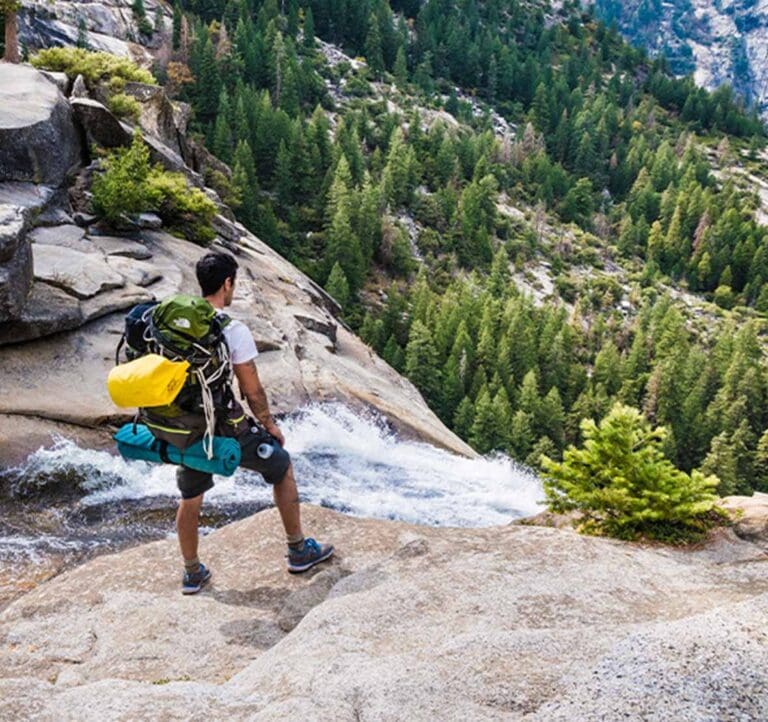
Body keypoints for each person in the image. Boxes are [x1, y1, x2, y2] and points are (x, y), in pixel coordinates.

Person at [176, 251, 333, 594]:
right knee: (281, 466)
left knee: (191, 496)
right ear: (227, 283)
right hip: (222, 426)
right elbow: (252, 389)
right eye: (234, 283)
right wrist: (270, 426)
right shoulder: (231, 329)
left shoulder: (178, 325)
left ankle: (191, 572)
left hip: (185, 427)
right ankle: (298, 550)